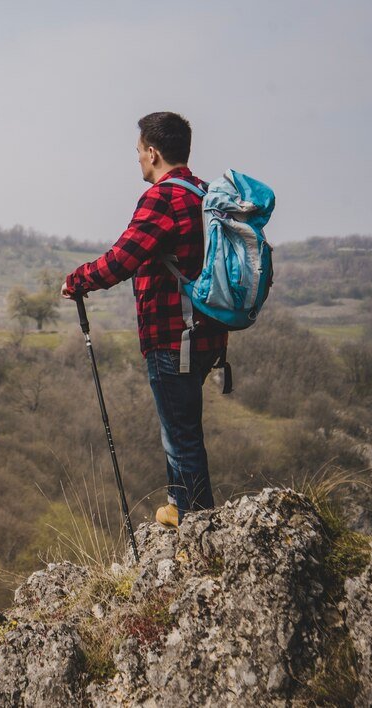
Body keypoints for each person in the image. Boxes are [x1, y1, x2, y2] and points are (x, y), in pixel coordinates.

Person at [60, 111, 227, 529]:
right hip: (207, 335)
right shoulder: (203, 193)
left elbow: (123, 258)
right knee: (182, 428)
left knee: (181, 437)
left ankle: (195, 527)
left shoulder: (163, 198)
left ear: (153, 152)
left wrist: (78, 280)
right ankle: (179, 506)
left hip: (174, 336)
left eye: (138, 151)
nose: (136, 160)